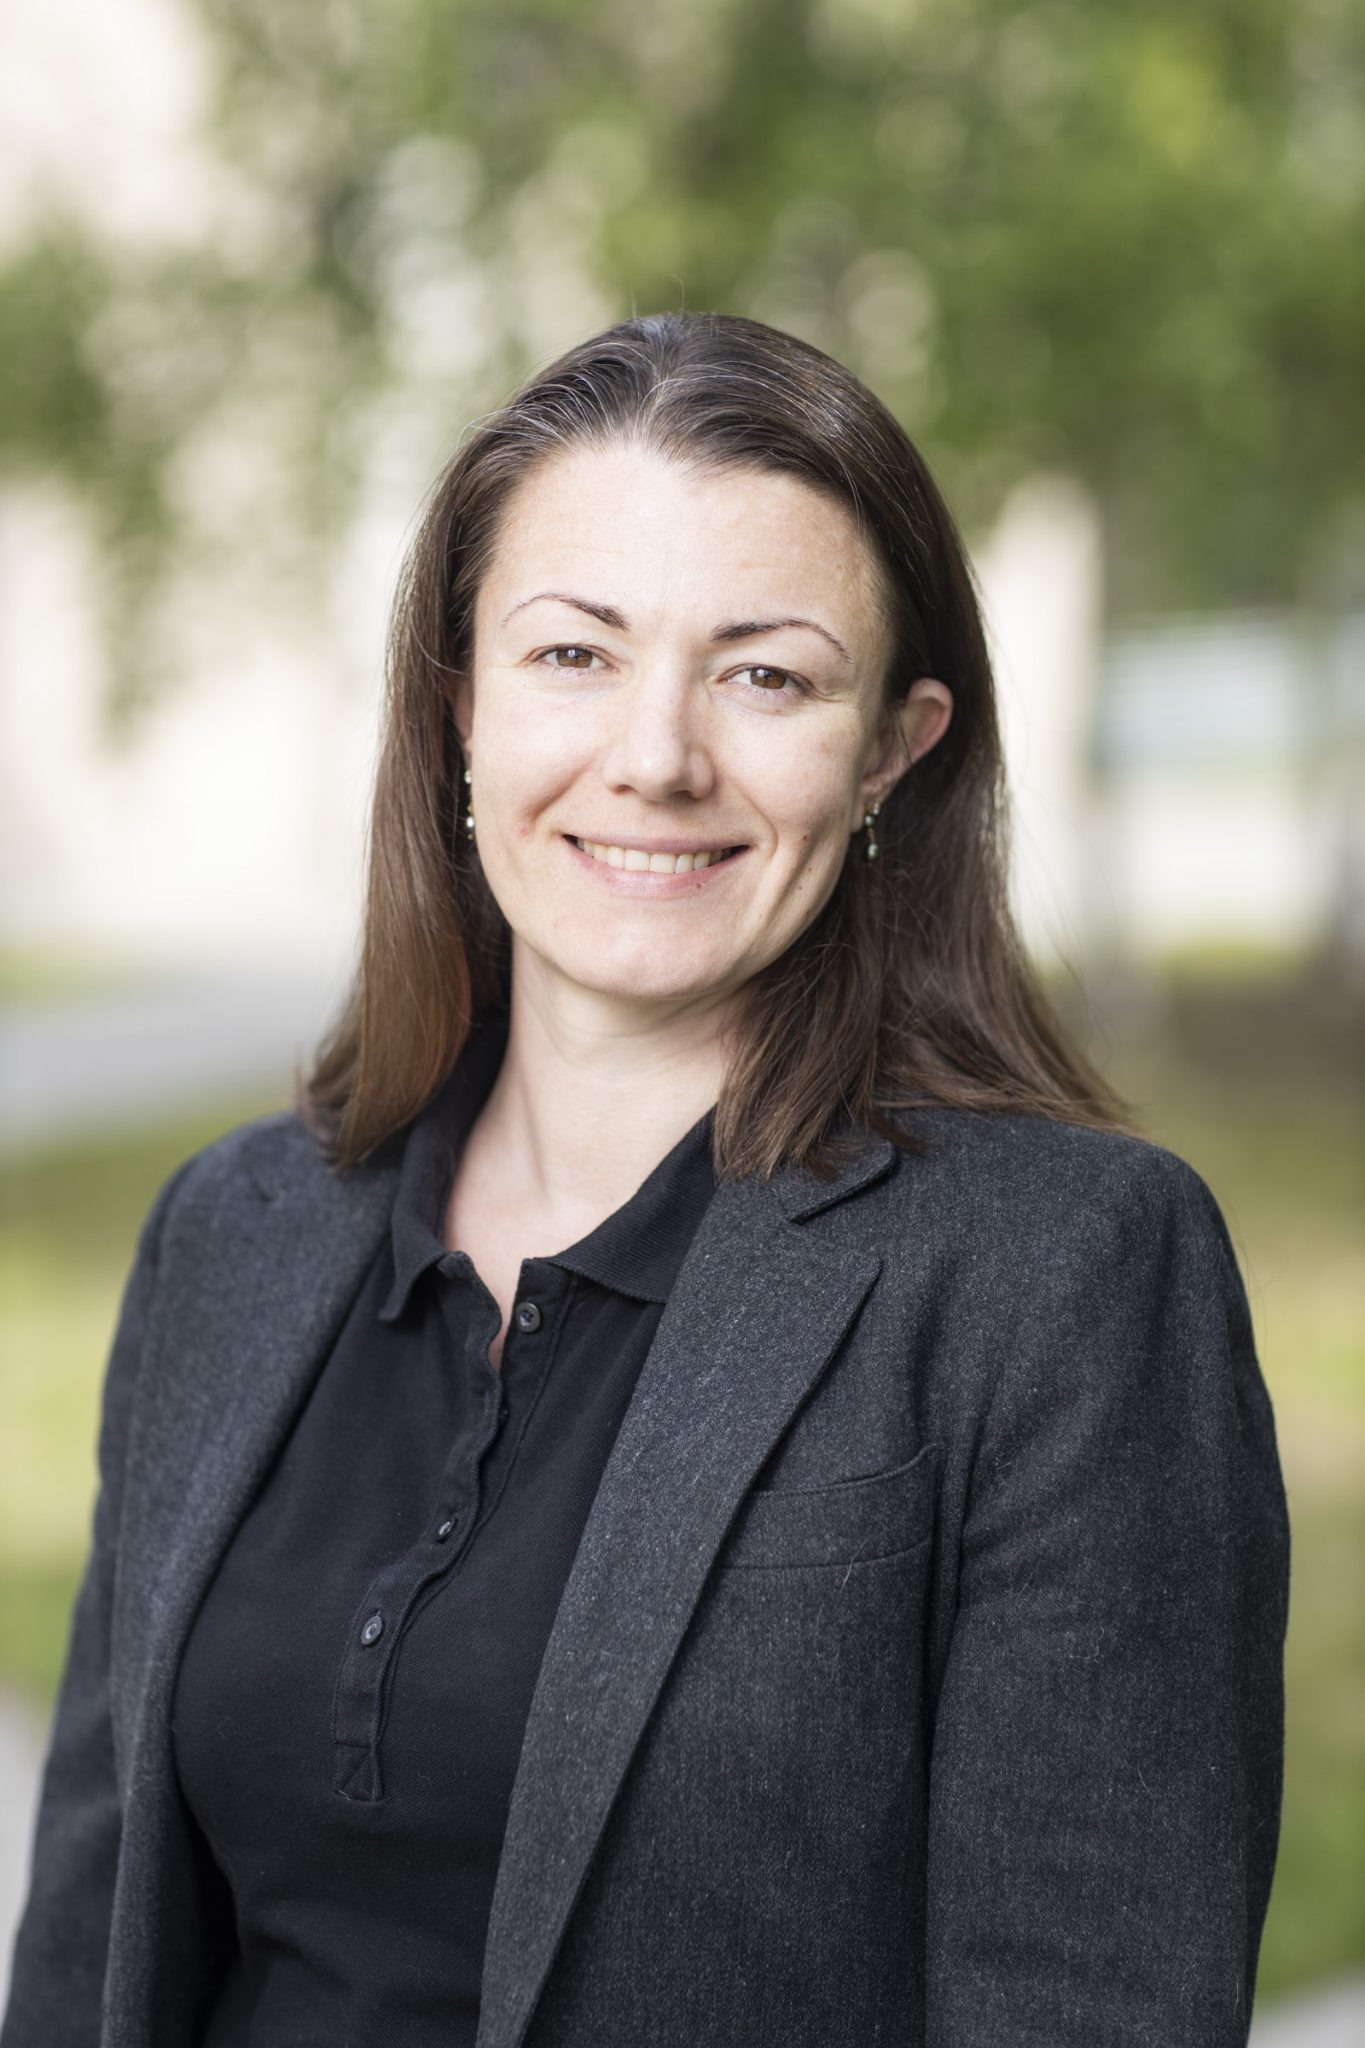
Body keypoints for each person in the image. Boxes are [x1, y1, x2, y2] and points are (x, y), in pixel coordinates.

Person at [1, 311, 1289, 2048]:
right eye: (572, 654)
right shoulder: (235, 1232)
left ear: (892, 745)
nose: (656, 757)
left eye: (766, 676)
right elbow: (89, 1949)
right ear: (459, 704)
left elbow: (1087, 2007)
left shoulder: (1062, 1277)